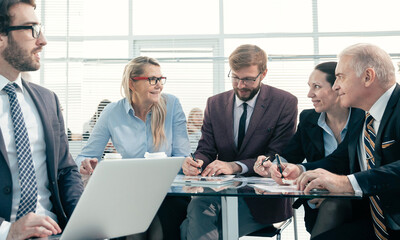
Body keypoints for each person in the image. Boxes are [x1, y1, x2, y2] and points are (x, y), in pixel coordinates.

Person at [270, 43, 400, 239]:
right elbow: (339, 159)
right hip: (377, 225)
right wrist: (301, 169)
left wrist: (347, 183)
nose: (337, 85)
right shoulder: (368, 117)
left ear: (367, 77)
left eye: (340, 77)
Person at [180, 44, 298, 239]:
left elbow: (276, 156)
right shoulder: (214, 103)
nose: (241, 85)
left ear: (264, 73)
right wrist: (197, 161)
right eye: (235, 77)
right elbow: (206, 149)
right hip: (219, 193)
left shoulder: (284, 103)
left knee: (187, 230)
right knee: (197, 204)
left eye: (248, 79)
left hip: (262, 200)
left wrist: (234, 166)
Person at [76, 56, 191, 240]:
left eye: (161, 79)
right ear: (132, 83)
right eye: (152, 80)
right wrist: (85, 163)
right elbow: (85, 155)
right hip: (128, 194)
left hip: (167, 194)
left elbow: (182, 157)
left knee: (159, 231)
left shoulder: (172, 105)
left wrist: (188, 165)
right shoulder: (112, 112)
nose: (159, 85)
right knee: (131, 231)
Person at [0, 0, 84, 239]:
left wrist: (84, 219)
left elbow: (65, 171)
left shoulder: (47, 100)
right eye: (32, 29)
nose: (43, 40)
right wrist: (8, 230)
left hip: (56, 232)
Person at [254, 62, 364, 237]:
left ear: (337, 87)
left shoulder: (363, 117)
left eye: (317, 87)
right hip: (318, 208)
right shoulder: (308, 119)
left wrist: (329, 188)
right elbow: (289, 156)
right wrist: (272, 165)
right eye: (309, 87)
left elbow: (342, 161)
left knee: (334, 205)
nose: (309, 94)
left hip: (363, 205)